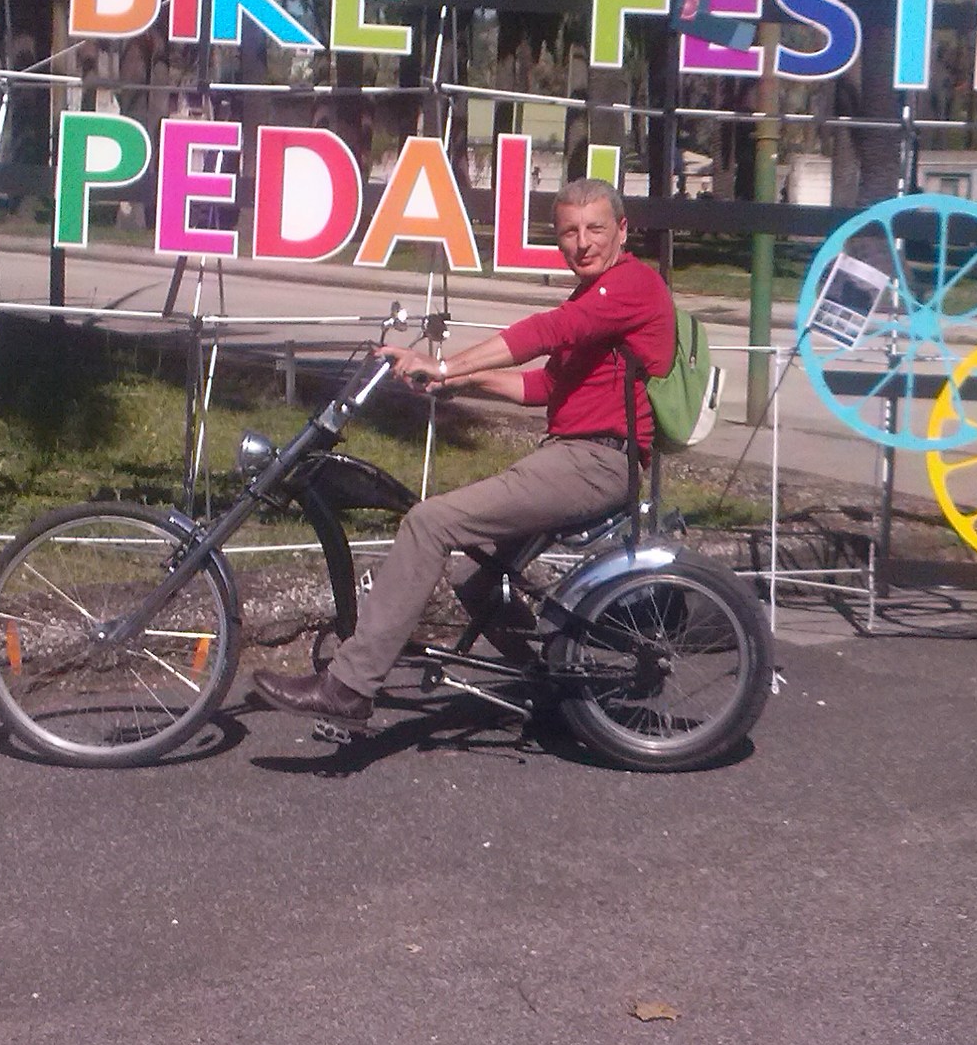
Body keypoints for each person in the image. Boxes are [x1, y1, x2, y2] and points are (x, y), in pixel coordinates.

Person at [251, 176, 675, 725]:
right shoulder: (596, 294)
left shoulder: (632, 285)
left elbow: (548, 331)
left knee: (430, 523)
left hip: (595, 461)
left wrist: (448, 364)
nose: (583, 243)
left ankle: (349, 685)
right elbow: (542, 388)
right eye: (569, 232)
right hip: (575, 456)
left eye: (595, 228)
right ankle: (553, 687)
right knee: (471, 576)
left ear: (623, 229)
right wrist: (453, 384)